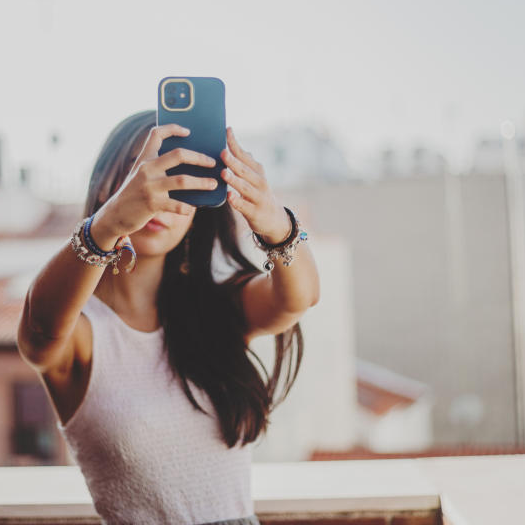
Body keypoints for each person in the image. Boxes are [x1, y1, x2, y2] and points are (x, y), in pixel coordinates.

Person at [16, 109, 320, 525]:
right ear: (108, 187)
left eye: (184, 181)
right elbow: (39, 327)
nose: (164, 197)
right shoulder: (84, 331)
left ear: (199, 210)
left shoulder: (216, 309)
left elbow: (297, 299)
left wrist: (275, 223)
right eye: (148, 177)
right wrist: (106, 226)